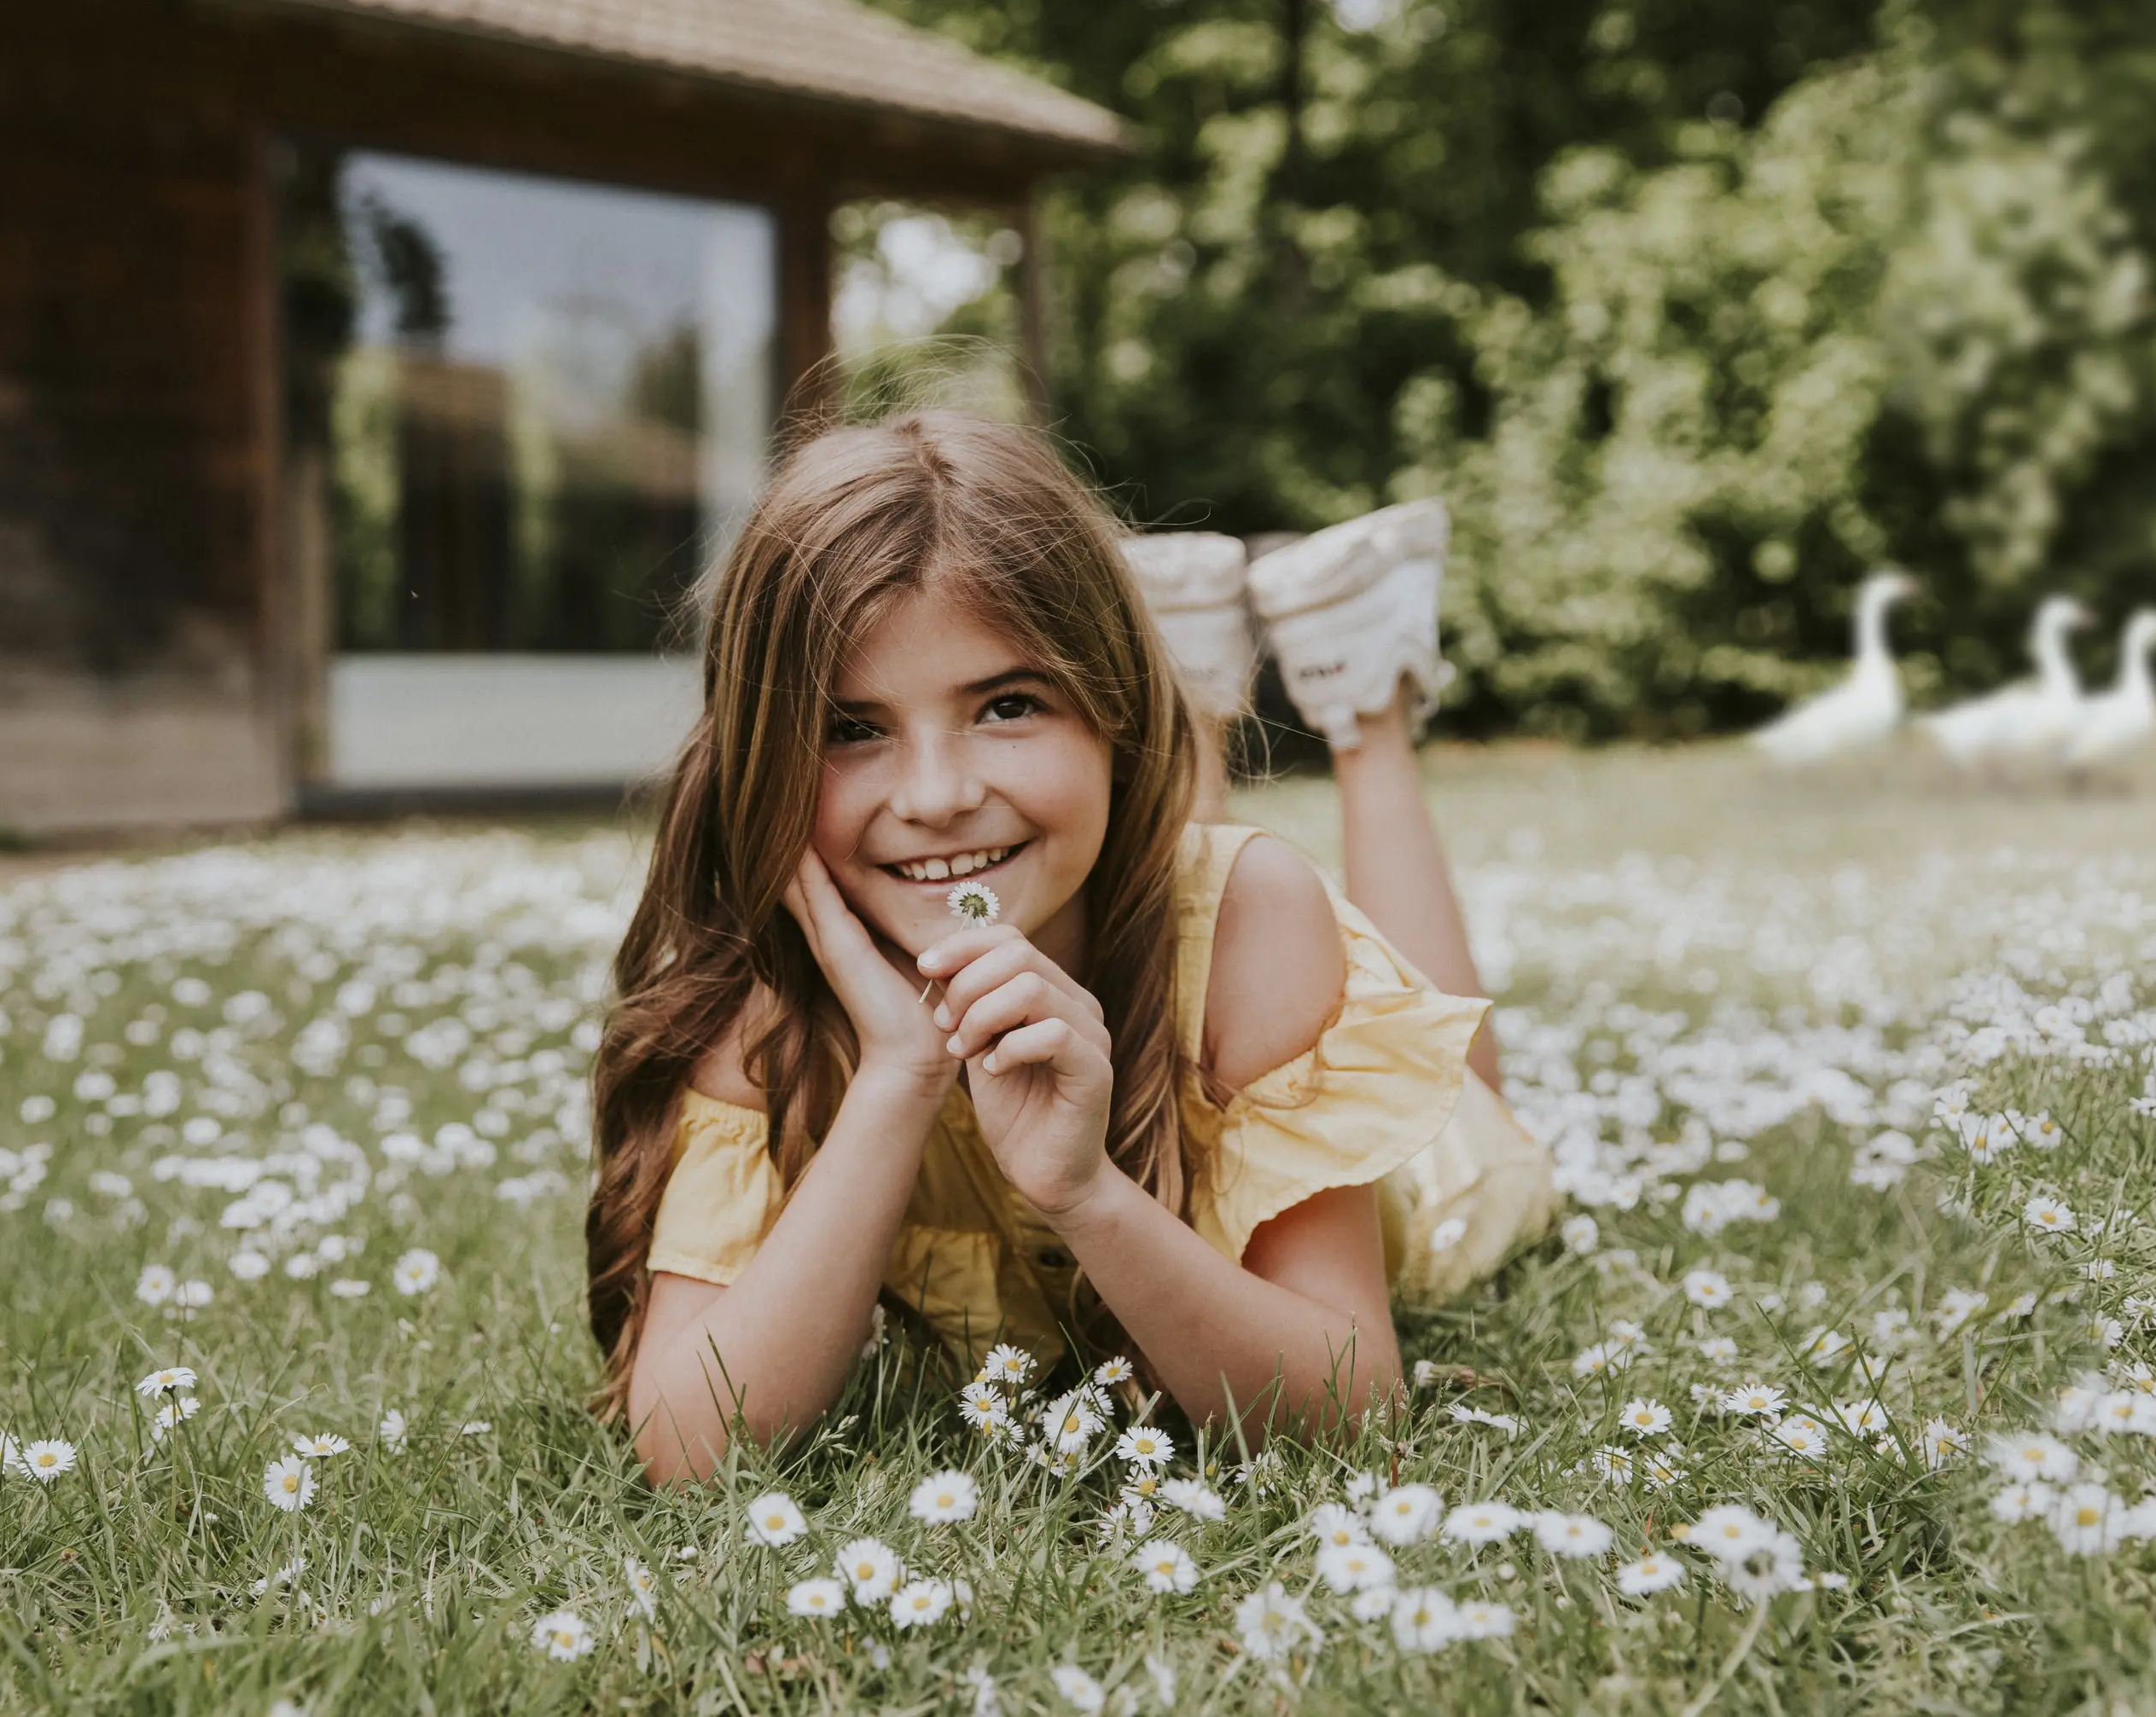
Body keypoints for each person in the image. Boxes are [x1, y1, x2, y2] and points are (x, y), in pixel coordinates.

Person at [587, 410, 1557, 1484]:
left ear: (1111, 710)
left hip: (1424, 1169)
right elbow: (684, 1447)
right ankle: (1198, 683)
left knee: (1478, 1110)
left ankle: (1365, 697)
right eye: (851, 727)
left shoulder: (1255, 921)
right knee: (1115, 862)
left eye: (1007, 704)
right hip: (1123, 898)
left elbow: (1350, 1411)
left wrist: (1085, 1191)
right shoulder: (762, 995)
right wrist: (900, 1076)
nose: (939, 796)